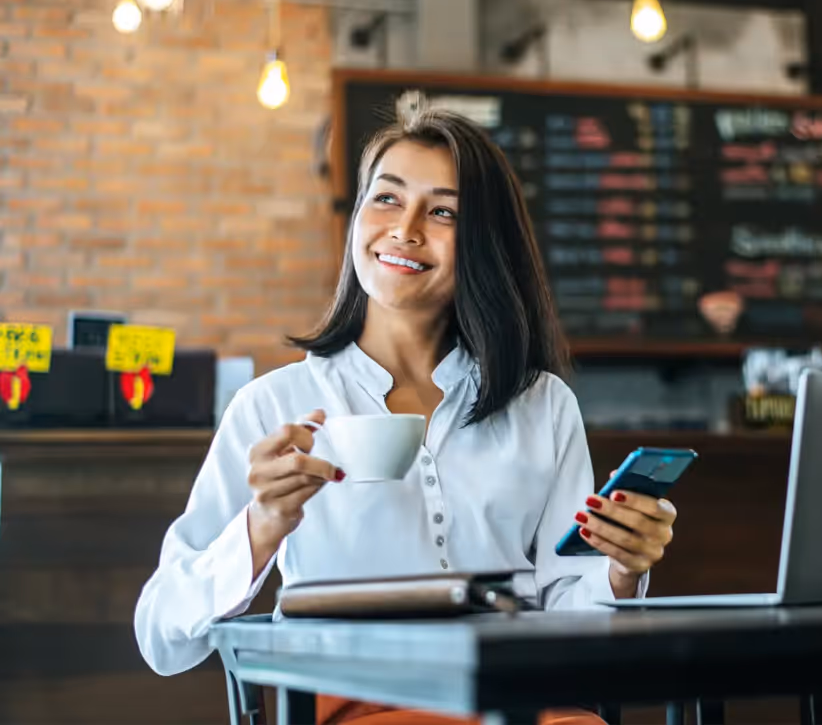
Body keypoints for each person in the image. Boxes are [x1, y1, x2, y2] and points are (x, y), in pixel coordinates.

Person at [133, 108, 679, 725]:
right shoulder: (271, 407)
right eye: (387, 198)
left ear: (483, 242)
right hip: (357, 702)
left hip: (521, 696)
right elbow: (161, 637)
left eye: (443, 211)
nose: (405, 229)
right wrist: (261, 527)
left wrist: (620, 569)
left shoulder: (542, 404)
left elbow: (571, 617)